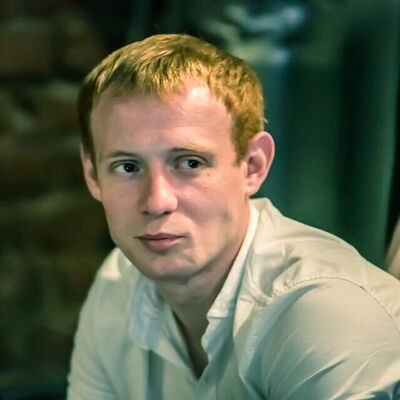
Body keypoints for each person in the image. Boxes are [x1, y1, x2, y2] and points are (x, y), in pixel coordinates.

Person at [67, 33, 400, 399]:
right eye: (128, 167)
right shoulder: (117, 284)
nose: (157, 201)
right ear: (93, 175)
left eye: (190, 163)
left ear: (252, 166)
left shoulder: (324, 312)